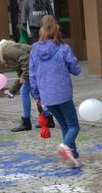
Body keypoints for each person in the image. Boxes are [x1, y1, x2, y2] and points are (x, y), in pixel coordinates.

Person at [30, 15, 81, 168]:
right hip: (62, 93)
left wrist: (36, 96)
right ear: (57, 28)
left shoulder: (34, 50)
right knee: (74, 126)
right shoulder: (63, 48)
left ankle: (74, 157)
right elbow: (76, 69)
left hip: (46, 96)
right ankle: (65, 146)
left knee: (65, 125)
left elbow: (32, 75)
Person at [0, 39, 54, 132]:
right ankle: (48, 118)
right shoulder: (5, 51)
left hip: (37, 66)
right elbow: (20, 71)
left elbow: (26, 59)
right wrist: (12, 90)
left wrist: (24, 76)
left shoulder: (6, 51)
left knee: (24, 92)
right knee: (34, 93)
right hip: (36, 66)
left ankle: (27, 123)